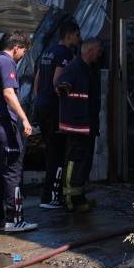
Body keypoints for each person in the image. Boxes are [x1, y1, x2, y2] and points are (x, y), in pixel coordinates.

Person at [0, 32, 37, 234]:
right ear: (16, 47)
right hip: (2, 124)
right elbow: (8, 93)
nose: (22, 56)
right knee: (13, 170)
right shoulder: (6, 62)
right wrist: (24, 118)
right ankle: (15, 220)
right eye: (23, 52)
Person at [33, 20, 80, 209]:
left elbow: (38, 79)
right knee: (58, 154)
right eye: (77, 34)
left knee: (51, 153)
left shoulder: (48, 51)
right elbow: (57, 81)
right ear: (69, 34)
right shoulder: (65, 54)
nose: (78, 38)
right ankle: (51, 197)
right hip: (54, 109)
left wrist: (40, 99)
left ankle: (48, 195)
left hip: (42, 106)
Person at [56, 38, 104, 213]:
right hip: (76, 125)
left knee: (85, 162)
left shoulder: (89, 69)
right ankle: (70, 199)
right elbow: (59, 83)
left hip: (87, 125)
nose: (100, 54)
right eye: (98, 50)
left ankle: (80, 196)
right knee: (74, 161)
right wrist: (63, 86)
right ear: (90, 50)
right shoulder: (74, 68)